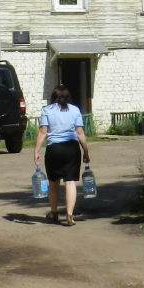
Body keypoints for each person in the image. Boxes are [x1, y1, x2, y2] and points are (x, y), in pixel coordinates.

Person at [32, 84, 91, 226]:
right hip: (71, 148)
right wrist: (86, 151)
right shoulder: (75, 110)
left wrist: (36, 151)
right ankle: (69, 215)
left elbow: (43, 131)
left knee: (53, 183)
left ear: (53, 97)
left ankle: (54, 212)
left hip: (54, 150)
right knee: (70, 182)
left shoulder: (47, 110)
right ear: (68, 97)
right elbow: (79, 133)